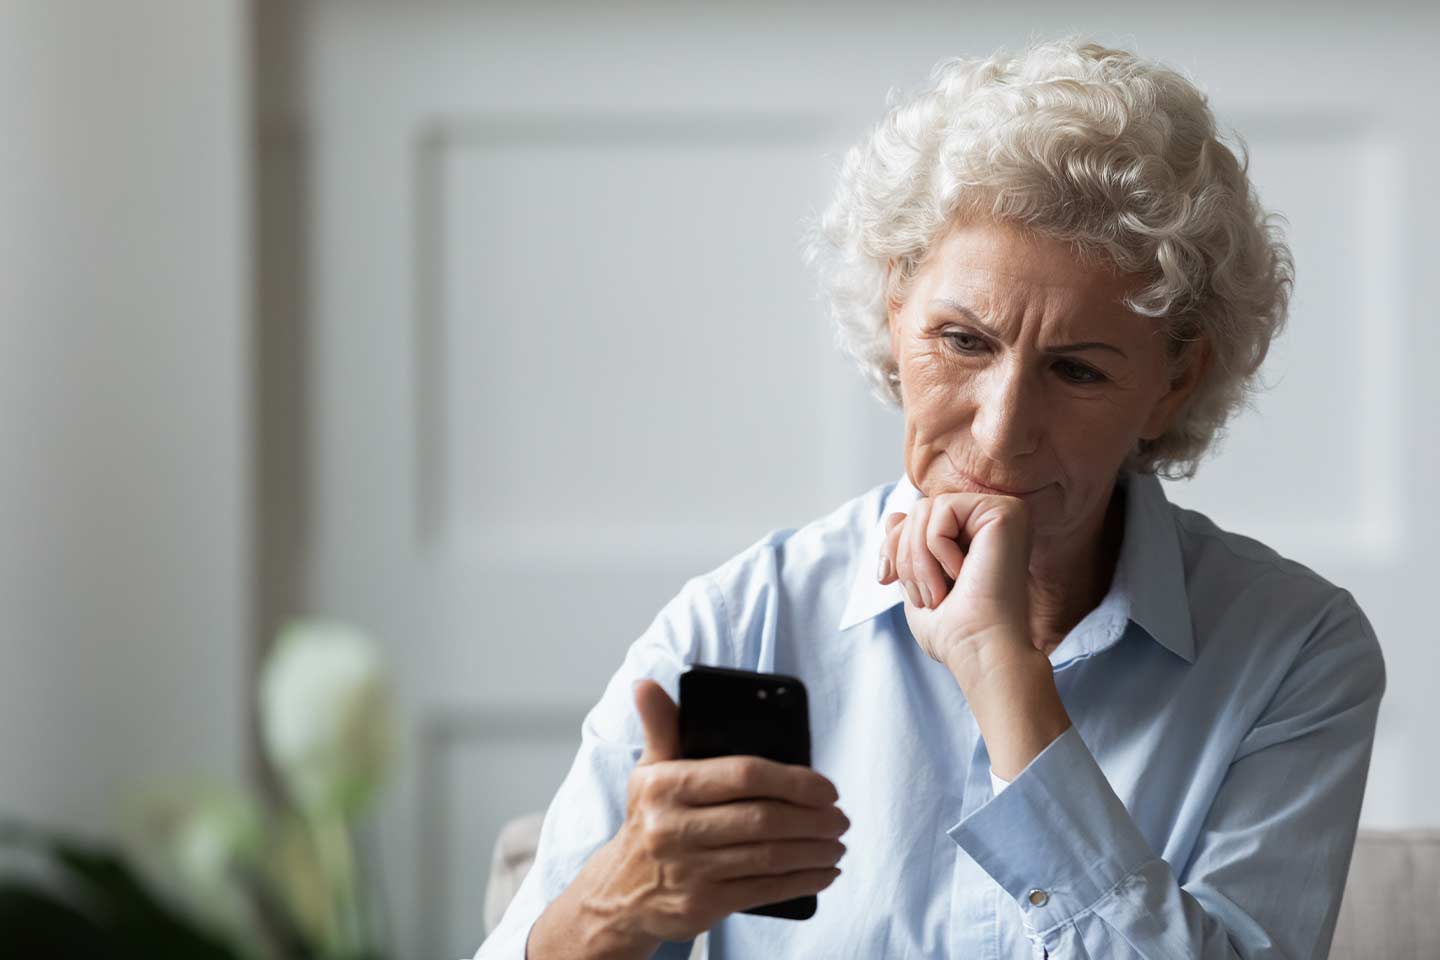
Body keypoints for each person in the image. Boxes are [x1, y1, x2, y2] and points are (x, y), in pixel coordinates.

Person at [475, 36, 1385, 959]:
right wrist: (616, 911)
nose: (1000, 432)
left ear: (1173, 384)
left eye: (1076, 370)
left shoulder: (1293, 650)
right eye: (962, 341)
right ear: (894, 313)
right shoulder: (741, 622)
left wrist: (1001, 674)